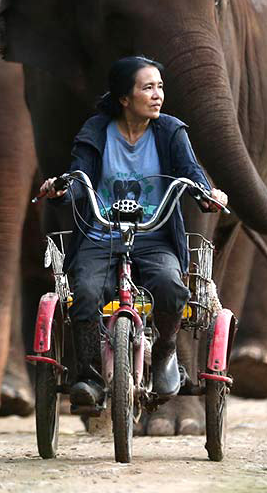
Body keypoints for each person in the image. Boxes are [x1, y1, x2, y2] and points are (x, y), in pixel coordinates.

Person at [38, 56, 227, 406]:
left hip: (154, 237)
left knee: (171, 287)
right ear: (124, 98)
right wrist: (64, 189)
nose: (157, 95)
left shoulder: (171, 131)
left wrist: (207, 194)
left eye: (160, 87)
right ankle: (89, 375)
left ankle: (166, 354)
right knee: (85, 294)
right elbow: (80, 176)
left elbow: (191, 172)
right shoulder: (95, 132)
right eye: (147, 88)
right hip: (101, 237)